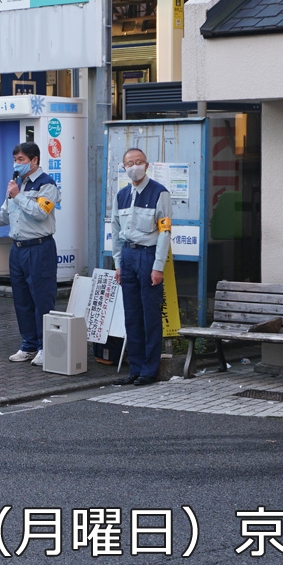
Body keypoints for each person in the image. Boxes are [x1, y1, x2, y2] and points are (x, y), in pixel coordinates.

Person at [111, 148, 172, 387]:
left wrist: (158, 267)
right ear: (123, 167)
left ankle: (149, 369)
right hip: (127, 255)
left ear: (147, 165)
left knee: (150, 315)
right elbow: (116, 232)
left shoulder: (160, 193)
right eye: (129, 163)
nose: (133, 166)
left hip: (148, 256)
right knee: (132, 315)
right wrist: (117, 264)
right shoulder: (122, 195)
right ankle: (134, 368)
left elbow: (165, 233)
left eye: (138, 162)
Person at [0, 142, 60, 367]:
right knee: (22, 299)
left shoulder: (47, 184)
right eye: (15, 160)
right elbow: (5, 215)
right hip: (18, 249)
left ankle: (45, 347)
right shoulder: (17, 185)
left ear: (34, 161)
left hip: (39, 248)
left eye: (21, 159)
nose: (17, 164)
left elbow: (41, 213)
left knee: (42, 299)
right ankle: (29, 344)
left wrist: (18, 196)